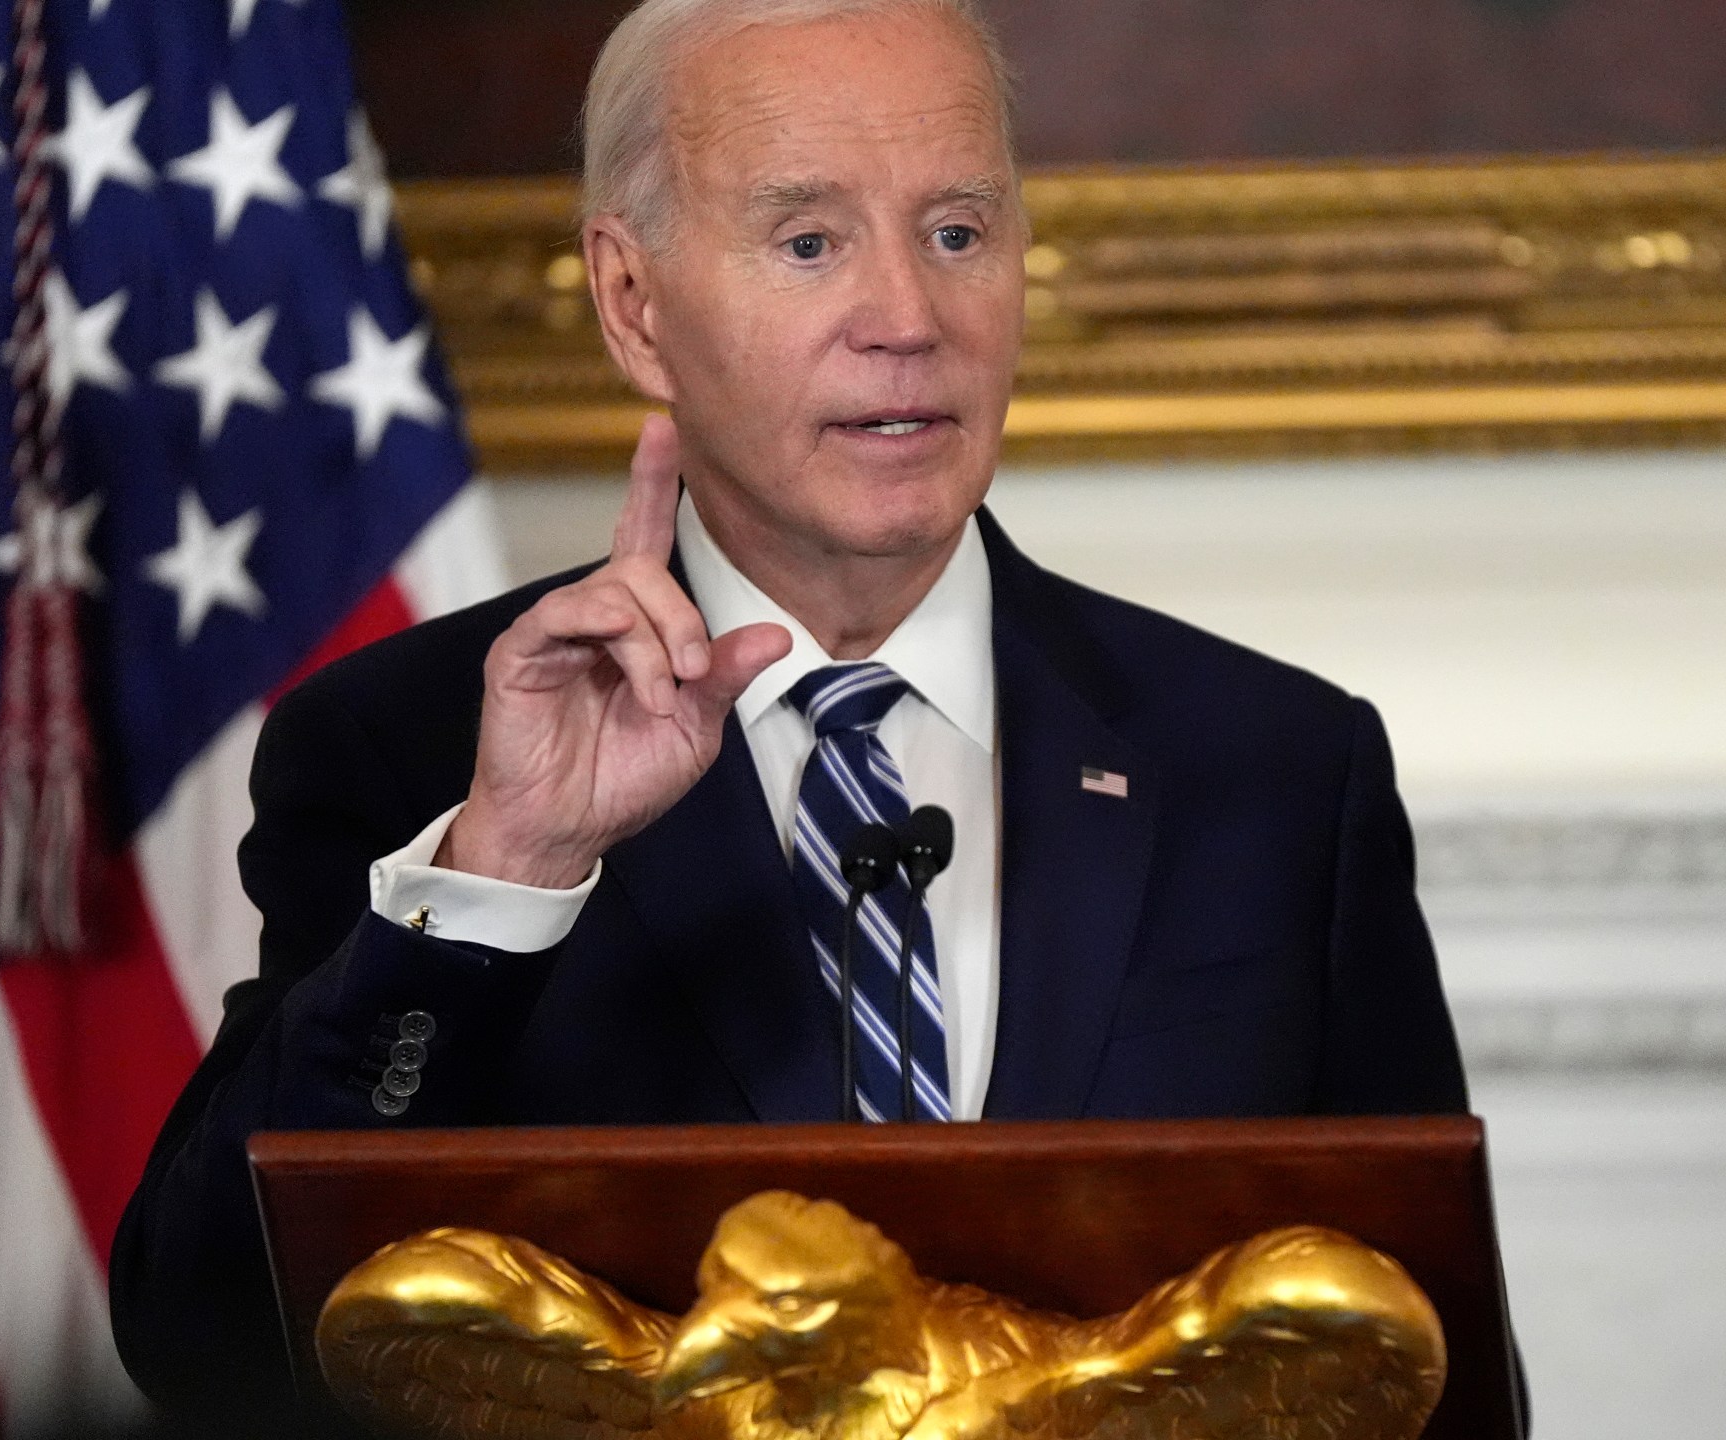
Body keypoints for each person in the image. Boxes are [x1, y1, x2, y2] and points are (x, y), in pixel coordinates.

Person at [109, 0, 1469, 1423]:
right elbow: (210, 1343)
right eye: (810, 241)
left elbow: (1419, 1364)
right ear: (634, 305)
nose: (909, 319)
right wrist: (504, 872)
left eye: (957, 232)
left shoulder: (1274, 769)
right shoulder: (405, 748)